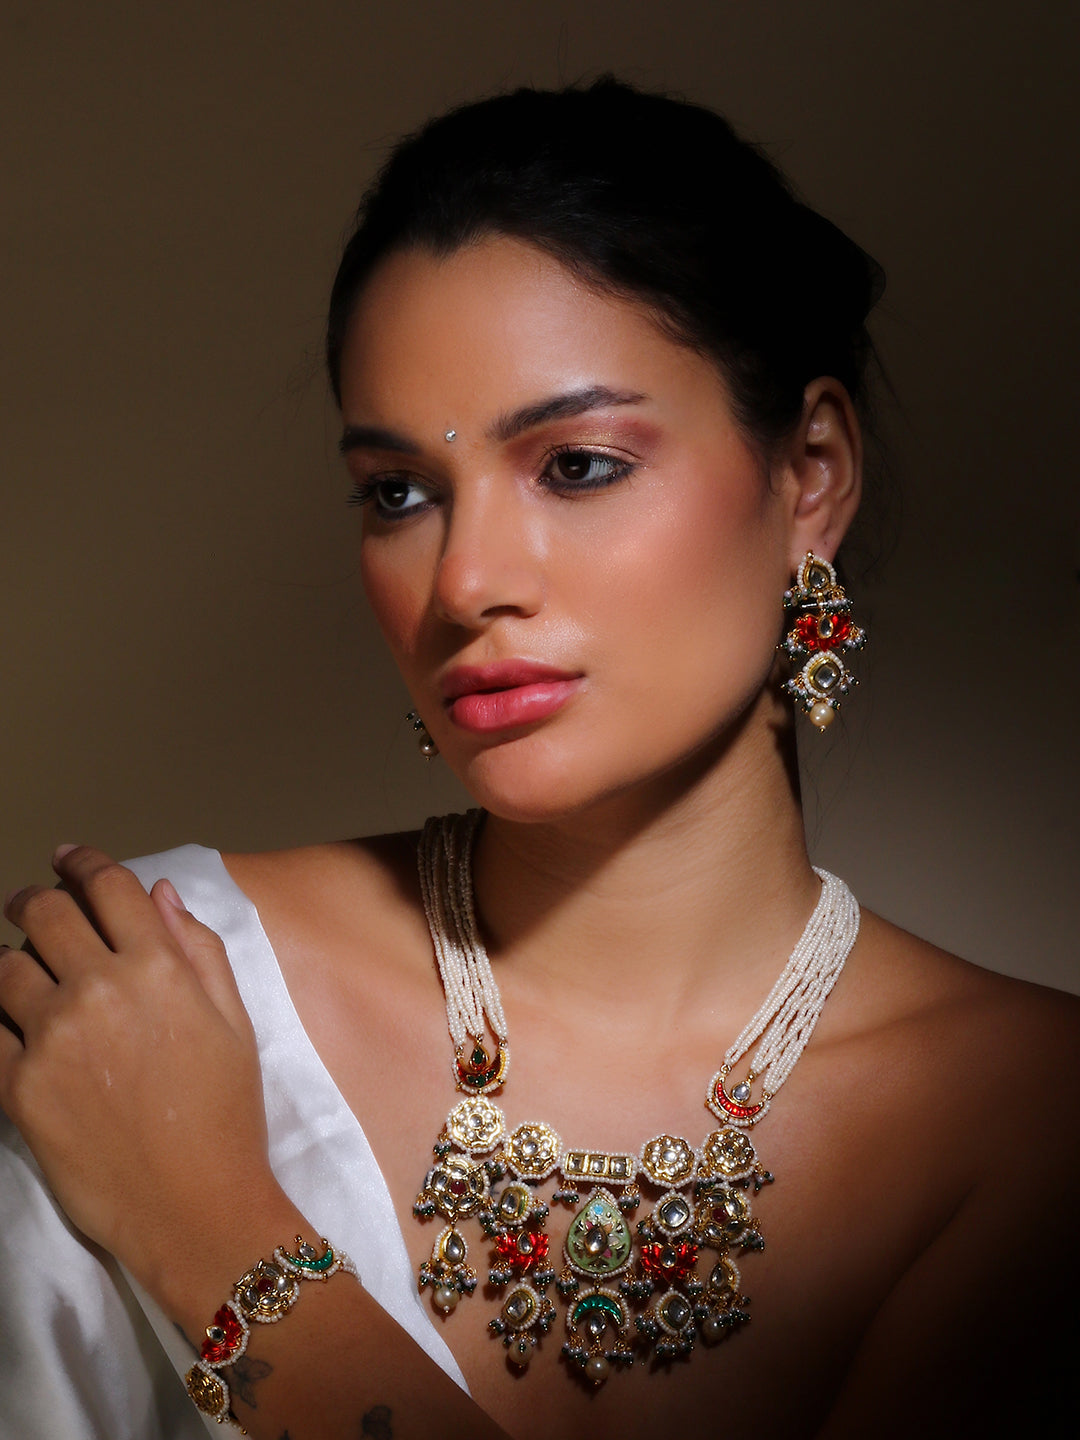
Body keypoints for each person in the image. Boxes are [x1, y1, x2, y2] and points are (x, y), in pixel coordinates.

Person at [1, 78, 1076, 1440]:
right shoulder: (154, 987)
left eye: (575, 466)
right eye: (399, 492)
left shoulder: (1031, 1123)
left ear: (809, 473)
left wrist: (213, 1233)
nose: (465, 581)